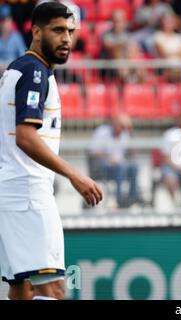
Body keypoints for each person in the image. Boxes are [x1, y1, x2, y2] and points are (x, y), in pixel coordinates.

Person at [0, 2, 103, 300]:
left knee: (21, 289)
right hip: (28, 193)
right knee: (53, 288)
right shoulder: (35, 72)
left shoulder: (16, 70)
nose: (66, 39)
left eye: (70, 31)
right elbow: (25, 136)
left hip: (11, 193)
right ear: (35, 31)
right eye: (58, 30)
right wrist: (74, 175)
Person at [88, 114, 141, 208]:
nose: (123, 129)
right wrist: (108, 158)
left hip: (119, 167)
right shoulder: (102, 131)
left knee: (134, 166)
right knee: (121, 167)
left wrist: (130, 132)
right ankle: (119, 198)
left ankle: (132, 197)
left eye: (125, 127)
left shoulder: (125, 134)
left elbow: (134, 152)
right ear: (115, 124)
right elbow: (93, 152)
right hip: (103, 167)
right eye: (122, 126)